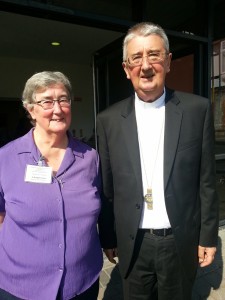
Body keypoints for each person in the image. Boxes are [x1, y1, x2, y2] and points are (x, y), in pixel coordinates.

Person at [96, 22, 219, 300]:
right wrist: (108, 237)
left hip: (179, 242)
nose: (146, 66)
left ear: (168, 61)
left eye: (154, 55)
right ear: (127, 69)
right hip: (133, 243)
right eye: (136, 58)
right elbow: (107, 185)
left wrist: (208, 237)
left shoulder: (196, 110)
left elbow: (207, 181)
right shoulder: (108, 120)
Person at [0, 71, 103, 300]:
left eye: (63, 99)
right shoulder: (5, 158)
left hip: (82, 283)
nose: (57, 109)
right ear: (30, 109)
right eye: (46, 101)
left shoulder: (89, 158)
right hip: (21, 288)